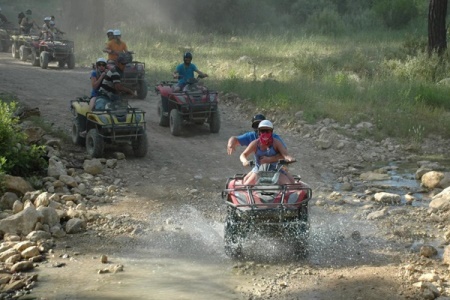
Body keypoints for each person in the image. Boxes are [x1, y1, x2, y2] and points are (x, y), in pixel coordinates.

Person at [240, 120, 295, 185]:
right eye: (263, 131)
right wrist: (245, 161)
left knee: (290, 184)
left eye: (267, 131)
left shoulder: (276, 143)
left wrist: (289, 159)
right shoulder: (255, 144)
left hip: (276, 171)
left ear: (271, 132)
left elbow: (285, 154)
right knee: (246, 185)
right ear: (259, 132)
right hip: (259, 171)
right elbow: (243, 154)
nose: (265, 133)